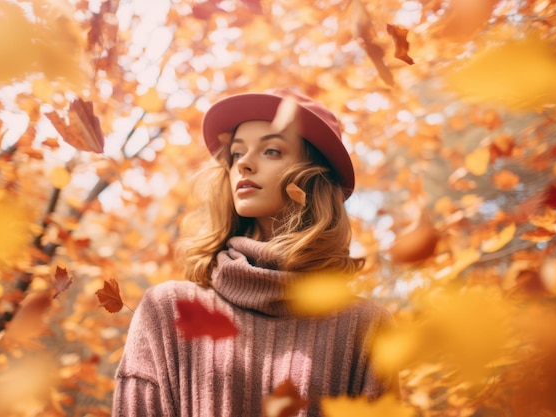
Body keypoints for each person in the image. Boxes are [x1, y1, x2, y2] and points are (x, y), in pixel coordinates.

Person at [112, 88, 396, 416]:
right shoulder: (170, 310)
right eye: (236, 153)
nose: (244, 163)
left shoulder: (365, 326)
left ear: (314, 177)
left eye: (272, 150)